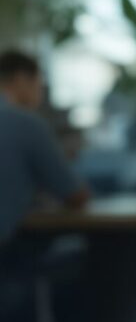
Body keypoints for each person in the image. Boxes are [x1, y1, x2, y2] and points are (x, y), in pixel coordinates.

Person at [0, 49, 88, 241]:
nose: (41, 93)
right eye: (39, 84)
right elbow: (75, 196)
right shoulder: (25, 123)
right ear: (21, 80)